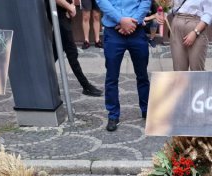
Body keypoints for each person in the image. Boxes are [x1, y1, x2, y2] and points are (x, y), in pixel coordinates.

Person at [97, 0, 153, 132]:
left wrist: (133, 21)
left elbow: (146, 2)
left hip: (137, 30)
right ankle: (113, 114)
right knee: (111, 76)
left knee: (142, 75)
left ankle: (147, 110)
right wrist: (121, 20)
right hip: (113, 30)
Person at [50, 0, 104, 97]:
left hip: (63, 15)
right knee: (70, 53)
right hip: (59, 15)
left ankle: (45, 84)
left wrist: (71, 6)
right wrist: (70, 7)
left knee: (57, 53)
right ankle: (86, 86)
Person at [167, 0, 212, 71]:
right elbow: (170, 7)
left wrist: (195, 32)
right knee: (179, 68)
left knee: (197, 68)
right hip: (177, 22)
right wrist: (163, 10)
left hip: (196, 24)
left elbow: (208, 14)